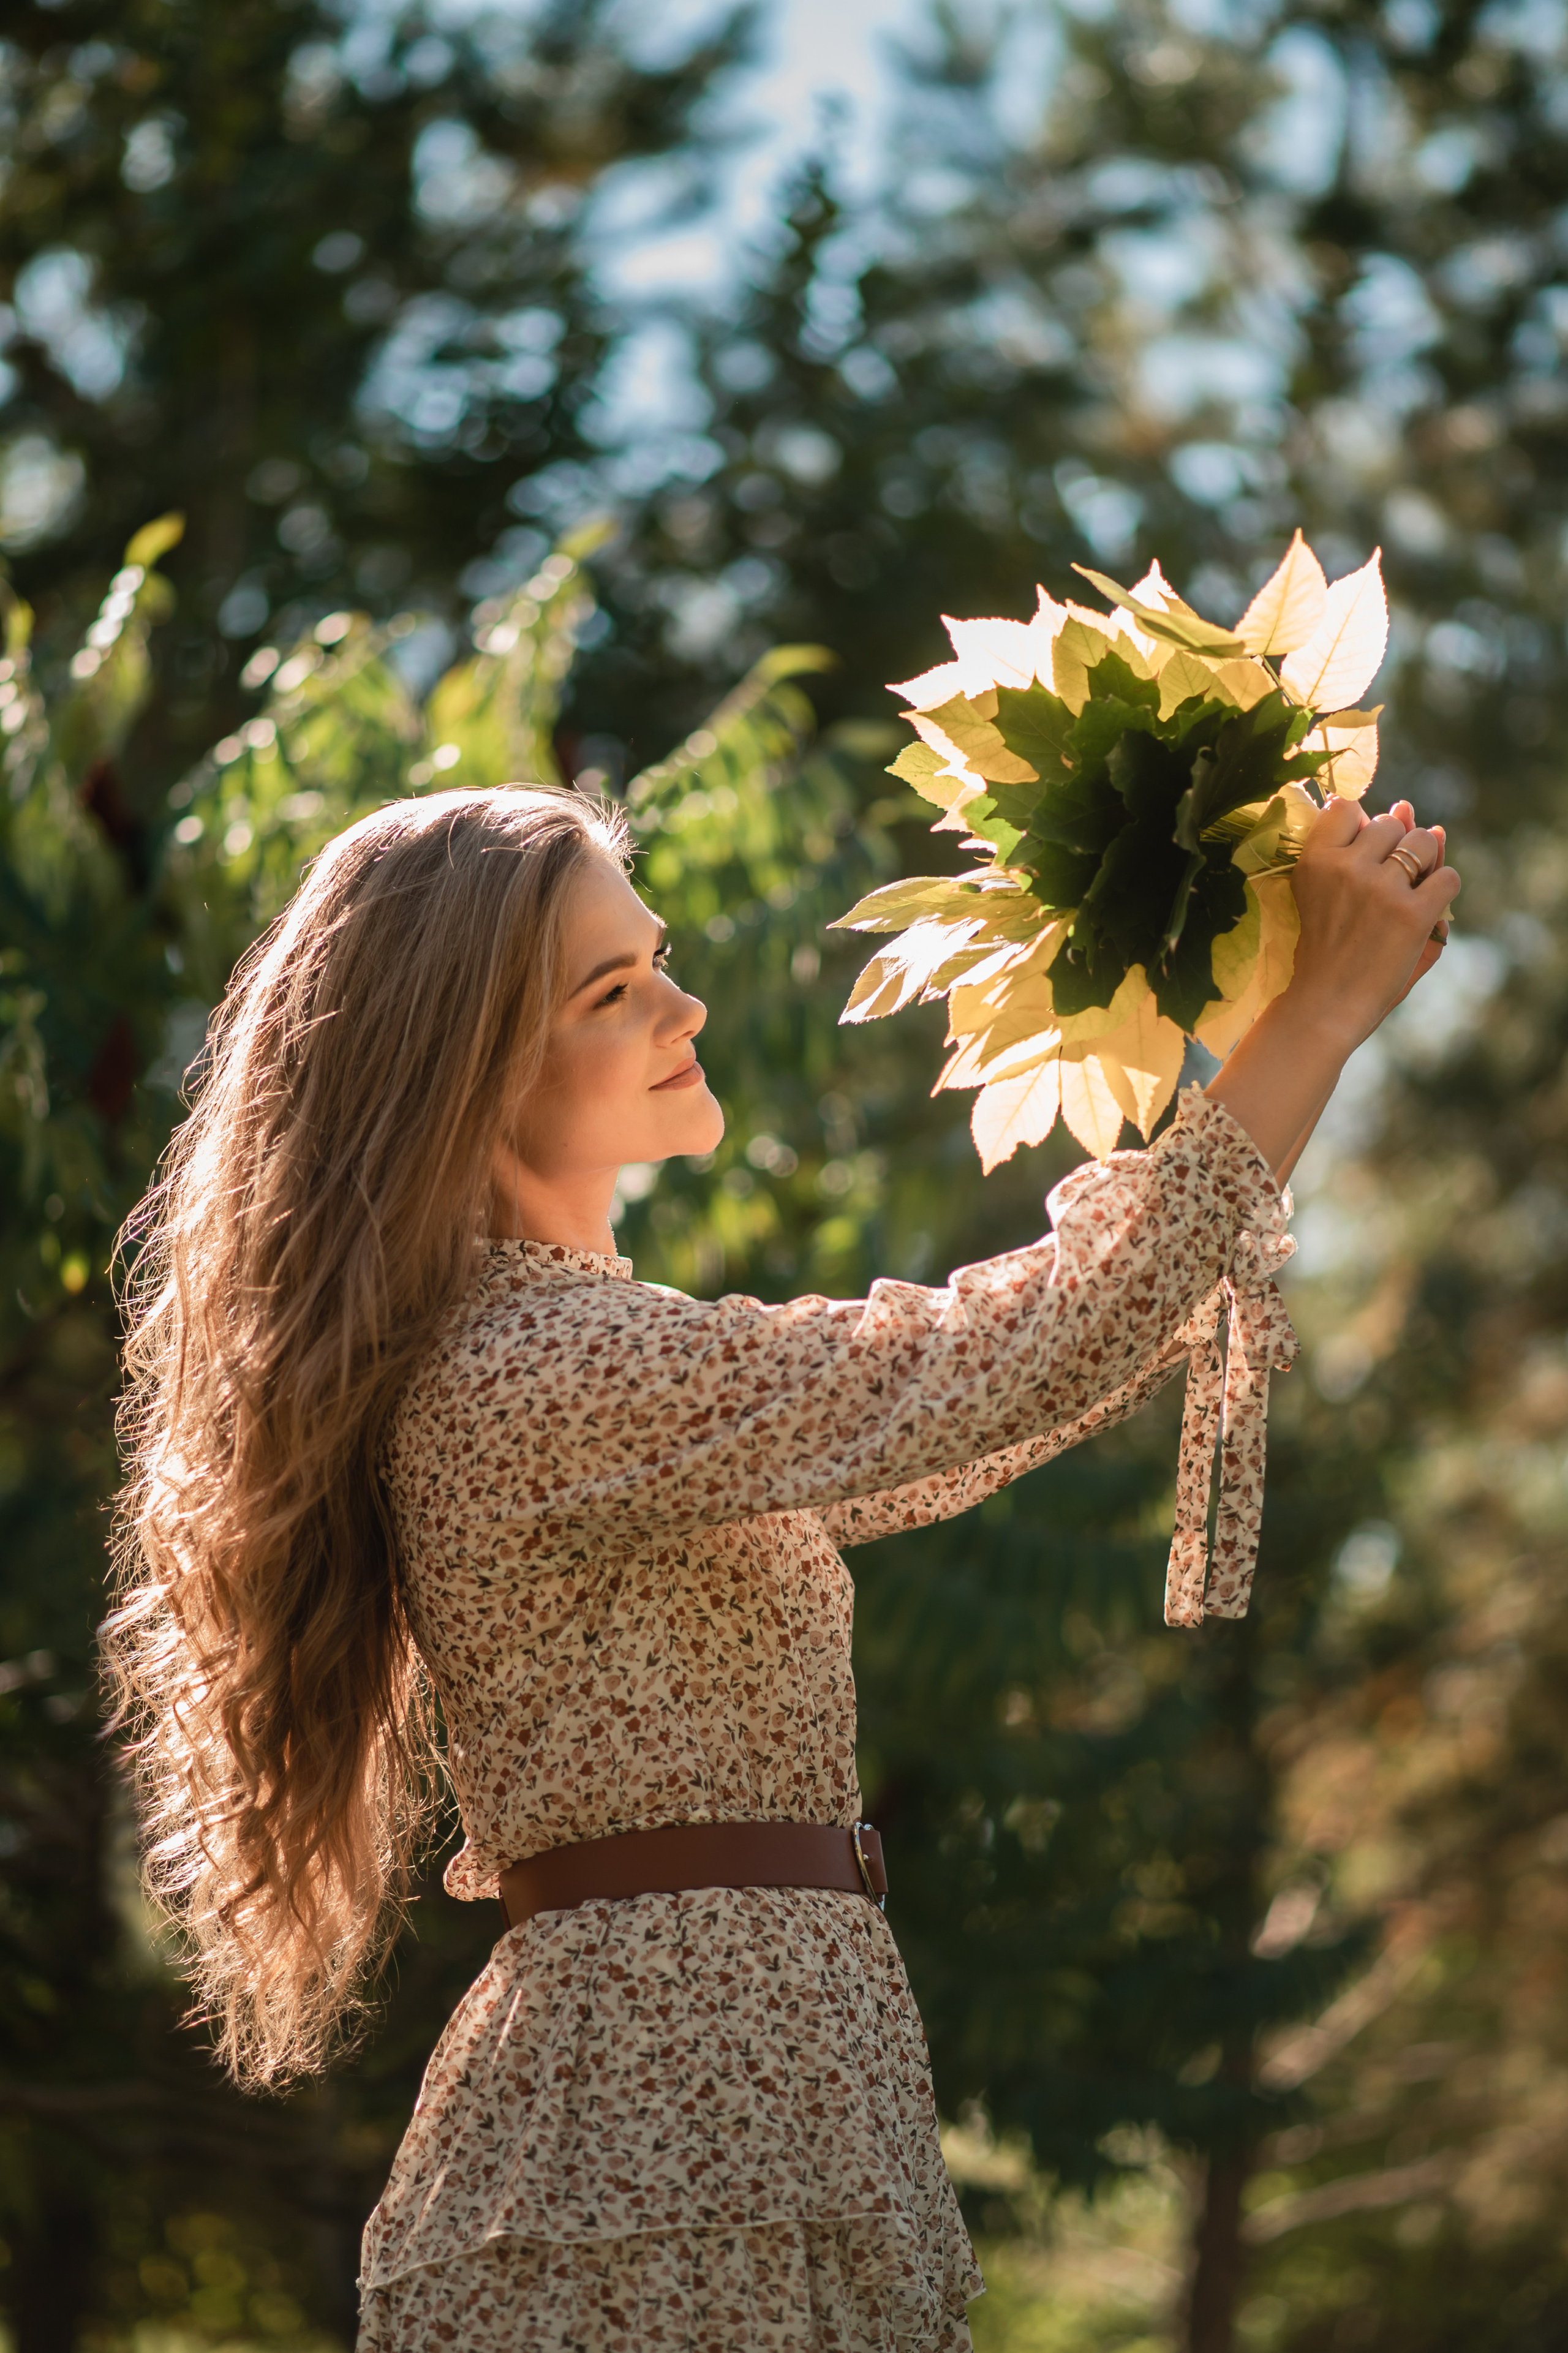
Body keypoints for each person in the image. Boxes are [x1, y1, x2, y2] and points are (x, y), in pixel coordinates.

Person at [105, 781, 1457, 2352]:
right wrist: (1316, 1015)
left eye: (654, 957)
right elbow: (1002, 1351)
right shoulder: (536, 1368)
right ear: (468, 1076)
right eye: (612, 993)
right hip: (660, 2134)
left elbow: (981, 1401)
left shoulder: (574, 1355)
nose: (682, 1003)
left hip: (742, 2099)